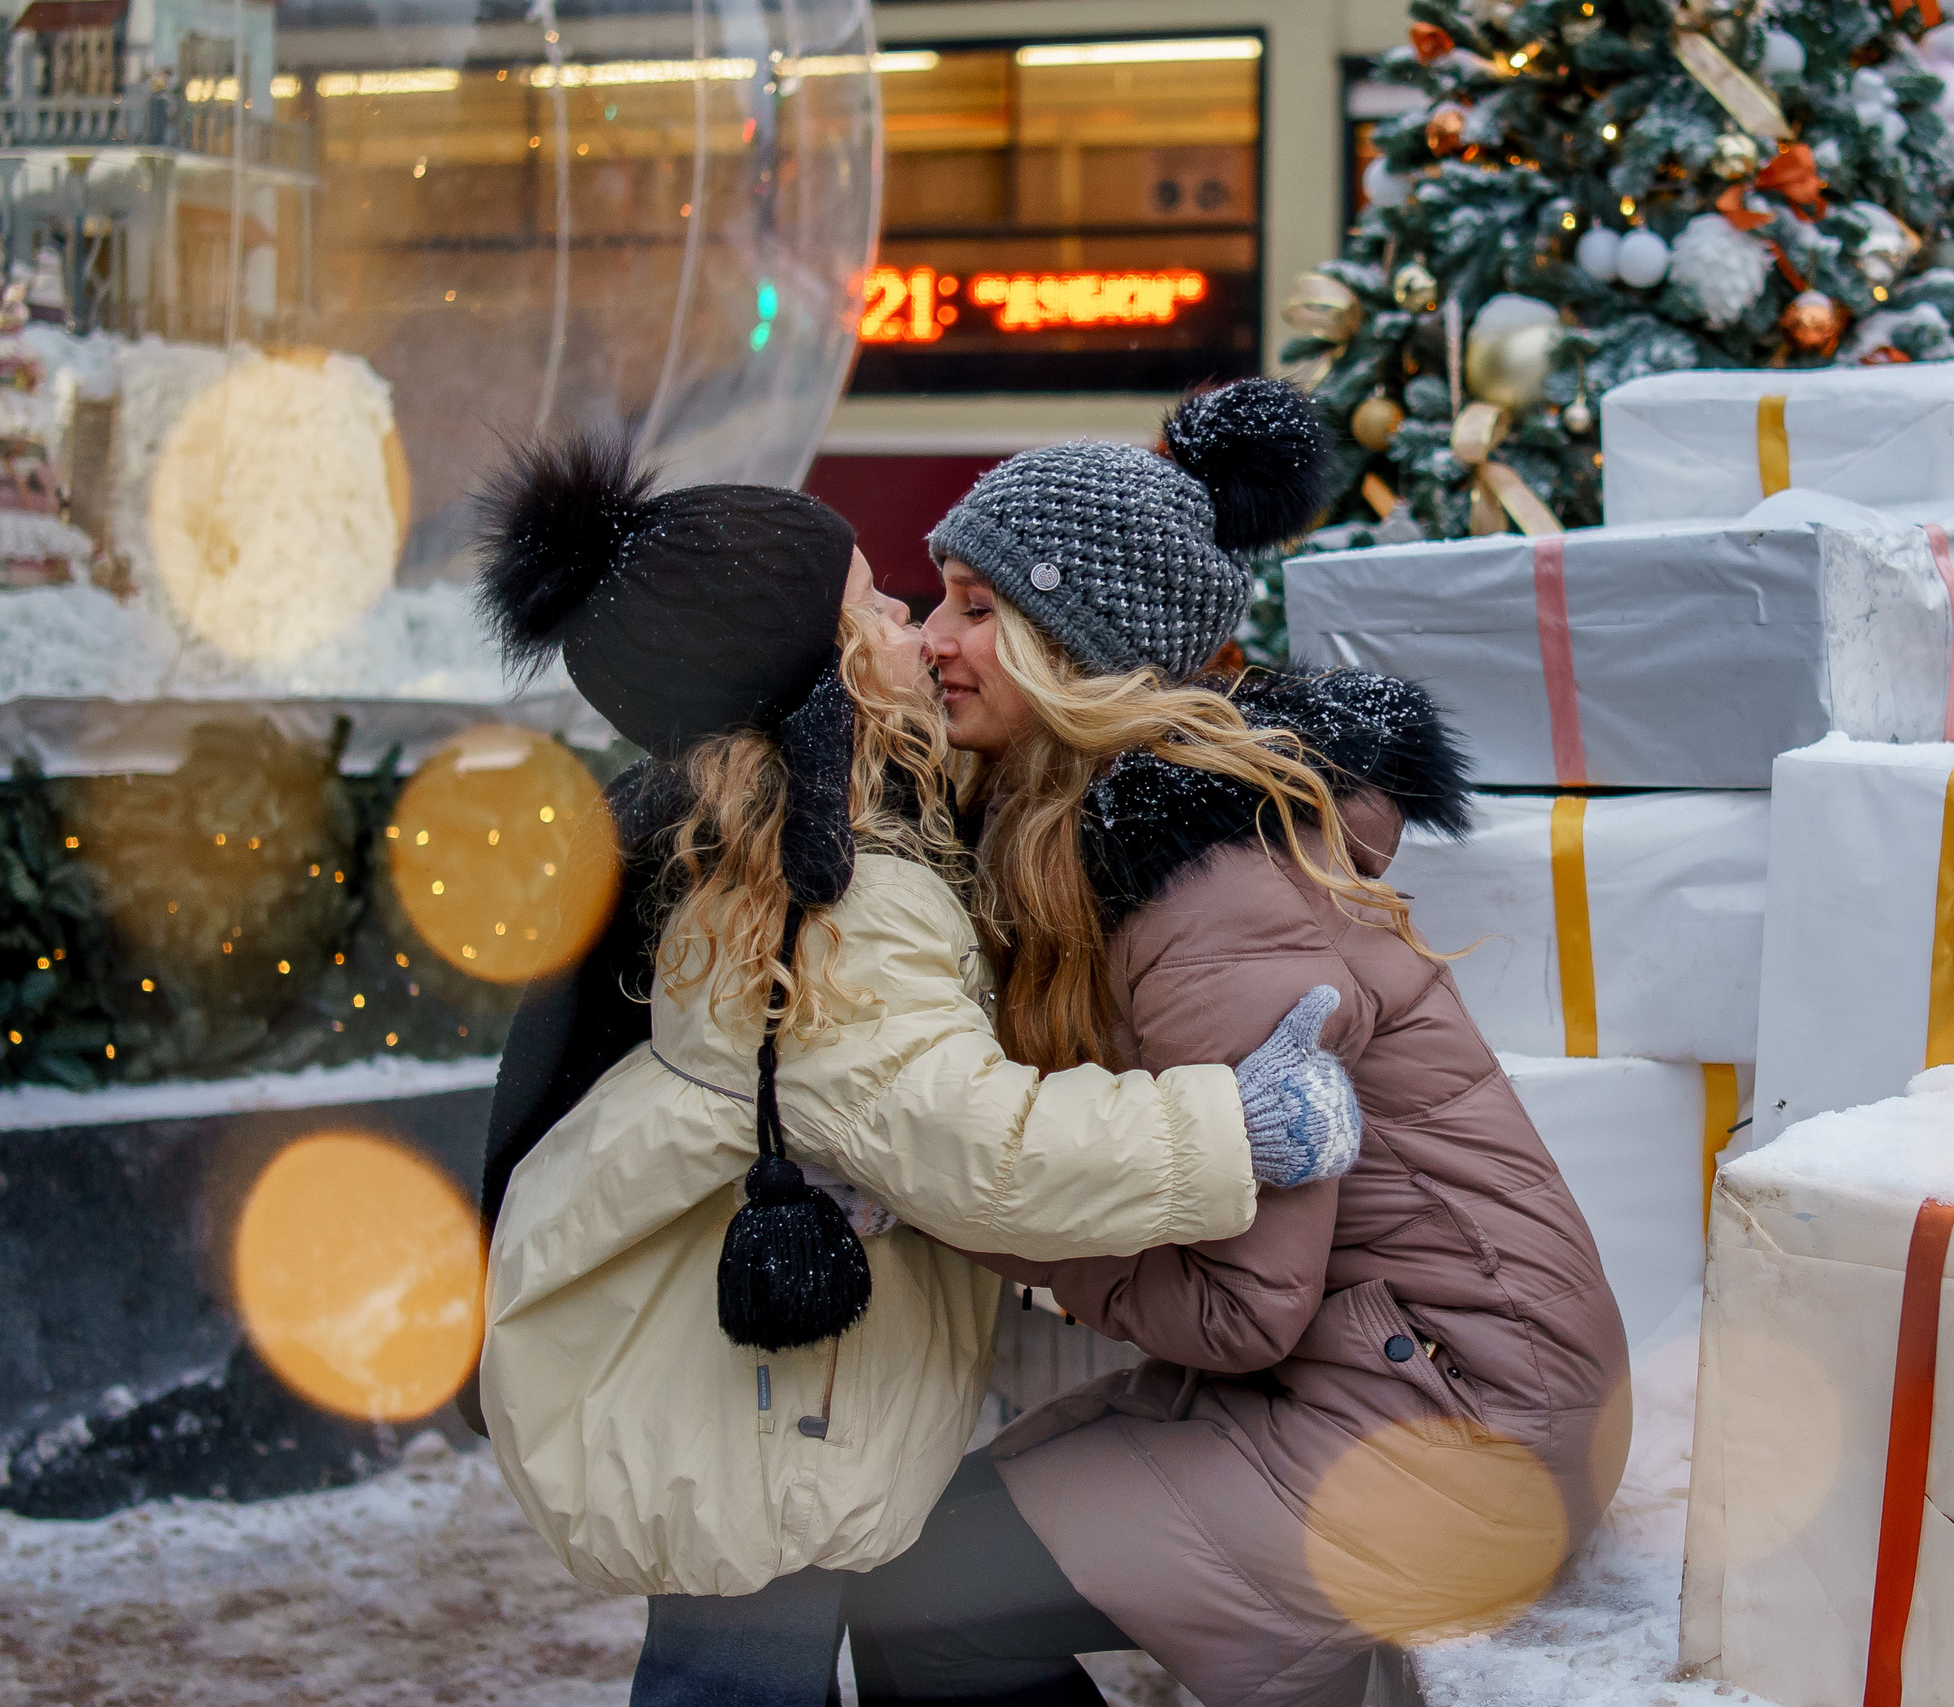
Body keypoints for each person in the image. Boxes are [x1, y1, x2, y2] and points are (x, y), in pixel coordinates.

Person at [464, 434, 1368, 1707]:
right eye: (880, 604)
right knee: (741, 1673)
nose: (913, 623)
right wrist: (1232, 1126)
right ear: (822, 673)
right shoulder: (842, 903)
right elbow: (980, 1146)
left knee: (806, 1646)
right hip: (771, 1404)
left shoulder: (765, 847)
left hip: (752, 1380)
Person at [843, 380, 1634, 1707]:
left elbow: (1239, 1305)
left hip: (1459, 1422)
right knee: (922, 1541)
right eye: (937, 599)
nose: (933, 640)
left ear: (1079, 648)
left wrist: (957, 1210)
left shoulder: (1207, 891)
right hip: (1385, 1374)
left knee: (933, 1594)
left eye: (980, 607)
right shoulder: (1096, 839)